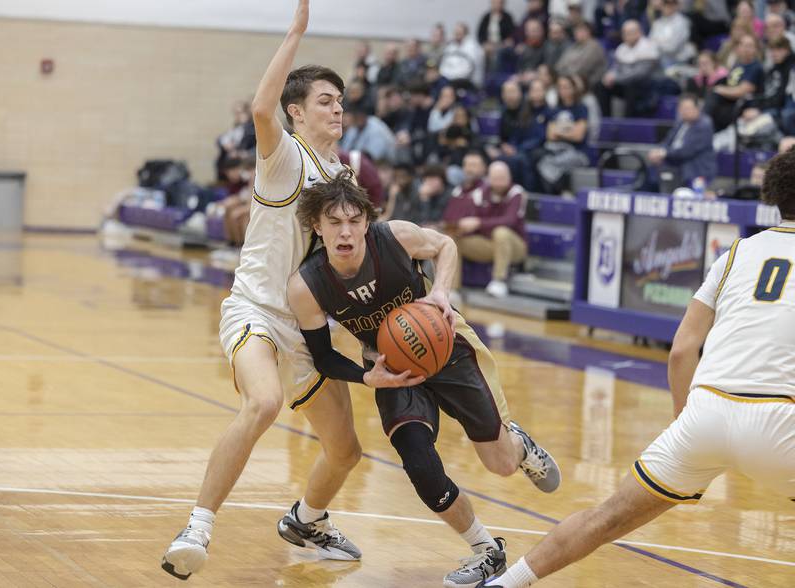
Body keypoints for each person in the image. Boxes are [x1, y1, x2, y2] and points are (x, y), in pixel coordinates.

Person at [478, 148, 795, 588]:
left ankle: (504, 584)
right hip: (781, 420)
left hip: (705, 411)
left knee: (605, 517)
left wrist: (685, 420)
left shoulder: (736, 254)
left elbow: (682, 350)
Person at [161, 1, 363, 579]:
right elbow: (258, 106)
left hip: (308, 329)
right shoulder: (284, 158)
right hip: (256, 311)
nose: (338, 109)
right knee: (264, 402)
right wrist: (296, 30)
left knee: (346, 451)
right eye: (325, 101)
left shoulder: (342, 178)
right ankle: (197, 526)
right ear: (296, 113)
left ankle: (307, 519)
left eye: (341, 102)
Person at [287, 174, 561, 587]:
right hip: (392, 370)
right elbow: (323, 356)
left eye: (354, 220)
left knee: (500, 463)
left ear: (366, 222)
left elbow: (445, 245)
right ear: (317, 227)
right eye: (334, 222)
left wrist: (442, 294)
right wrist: (368, 377)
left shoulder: (394, 237)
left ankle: (518, 444)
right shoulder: (307, 285)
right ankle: (487, 551)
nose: (346, 231)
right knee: (419, 463)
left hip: (447, 347)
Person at [444, 161, 530, 298]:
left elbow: (509, 221)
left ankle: (499, 280)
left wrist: (478, 223)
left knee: (501, 232)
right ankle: (452, 289)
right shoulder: (480, 193)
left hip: (515, 246)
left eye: (503, 178)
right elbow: (469, 219)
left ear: (510, 177)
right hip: (489, 245)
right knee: (453, 240)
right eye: (496, 178)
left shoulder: (517, 193)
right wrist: (464, 227)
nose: (500, 182)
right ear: (488, 178)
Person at [647, 94, 717, 188]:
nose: (684, 112)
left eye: (688, 108)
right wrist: (659, 151)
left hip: (696, 170)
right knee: (650, 171)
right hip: (676, 164)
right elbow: (667, 142)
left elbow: (686, 151)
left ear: (697, 108)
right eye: (682, 108)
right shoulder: (681, 123)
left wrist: (663, 153)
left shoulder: (704, 125)